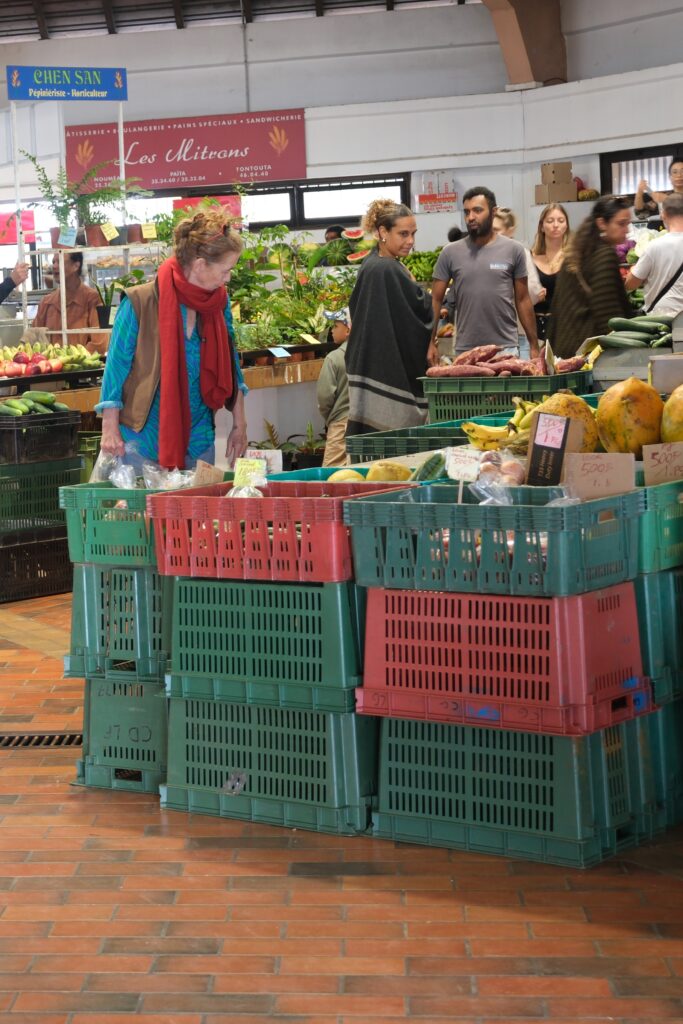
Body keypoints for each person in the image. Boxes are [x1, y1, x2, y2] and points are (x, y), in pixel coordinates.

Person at [97, 208, 248, 471]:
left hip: (199, 434)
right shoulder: (140, 302)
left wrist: (240, 423)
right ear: (200, 265)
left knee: (193, 509)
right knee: (143, 511)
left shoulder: (217, 303)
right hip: (142, 435)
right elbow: (116, 368)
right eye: (225, 270)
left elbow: (232, 362)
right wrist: (109, 428)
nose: (228, 277)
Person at [345, 198, 432, 436]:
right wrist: (423, 295)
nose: (410, 241)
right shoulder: (388, 269)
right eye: (403, 234)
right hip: (387, 368)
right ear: (383, 231)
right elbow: (418, 314)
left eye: (413, 233)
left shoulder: (373, 263)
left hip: (369, 365)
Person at [431, 186, 539, 358]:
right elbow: (436, 300)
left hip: (505, 348)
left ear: (493, 211)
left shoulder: (514, 250)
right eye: (467, 212)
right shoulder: (450, 253)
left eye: (477, 210)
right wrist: (431, 343)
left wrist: (534, 346)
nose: (471, 217)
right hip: (465, 350)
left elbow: (523, 299)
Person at [548, 195, 633, 358]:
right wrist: (624, 353)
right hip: (589, 354)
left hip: (565, 349)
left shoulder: (577, 251)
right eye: (621, 224)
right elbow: (608, 315)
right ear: (602, 223)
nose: (627, 230)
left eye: (627, 223)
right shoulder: (604, 255)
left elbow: (557, 307)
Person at [33, 252, 107, 353]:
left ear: (76, 266)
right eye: (53, 262)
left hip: (82, 366)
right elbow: (34, 340)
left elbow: (100, 344)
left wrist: (73, 359)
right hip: (51, 366)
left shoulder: (94, 299)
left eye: (59, 262)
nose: (54, 266)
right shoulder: (46, 302)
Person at [625, 193, 683, 316]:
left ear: (663, 214)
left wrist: (634, 269)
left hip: (661, 318)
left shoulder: (654, 246)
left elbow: (631, 284)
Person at [528, 203, 572, 341]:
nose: (555, 225)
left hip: (567, 327)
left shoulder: (574, 258)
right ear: (541, 226)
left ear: (566, 226)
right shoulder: (529, 258)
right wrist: (532, 296)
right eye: (550, 221)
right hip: (537, 330)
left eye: (561, 220)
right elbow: (520, 296)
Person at [317, 308, 350, 466]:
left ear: (348, 330)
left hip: (341, 426)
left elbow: (325, 398)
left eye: (336, 326)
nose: (332, 330)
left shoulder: (334, 358)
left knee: (333, 475)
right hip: (368, 424)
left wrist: (330, 418)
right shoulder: (370, 355)